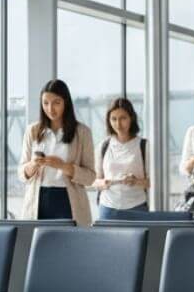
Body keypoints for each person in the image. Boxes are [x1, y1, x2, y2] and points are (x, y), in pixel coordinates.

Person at [18, 79, 96, 226]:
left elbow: (90, 177)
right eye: (45, 103)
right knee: (39, 247)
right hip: (38, 200)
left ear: (66, 103)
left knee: (69, 247)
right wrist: (33, 165)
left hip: (68, 200)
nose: (50, 108)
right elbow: (21, 173)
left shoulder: (82, 132)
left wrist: (63, 166)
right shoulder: (32, 131)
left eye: (56, 103)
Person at [95, 97, 150, 219]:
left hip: (137, 207)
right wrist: (103, 183)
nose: (118, 124)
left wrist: (136, 181)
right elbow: (95, 180)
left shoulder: (144, 146)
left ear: (131, 118)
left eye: (123, 118)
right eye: (113, 119)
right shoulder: (103, 146)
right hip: (108, 208)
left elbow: (152, 182)